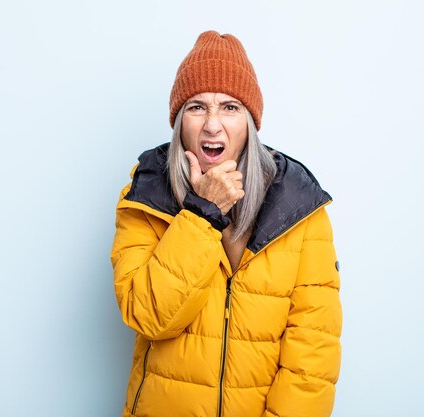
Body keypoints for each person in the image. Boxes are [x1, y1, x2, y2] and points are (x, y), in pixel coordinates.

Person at [111, 30, 342, 417]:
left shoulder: (299, 205)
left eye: (230, 107)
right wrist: (202, 213)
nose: (212, 126)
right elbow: (148, 314)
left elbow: (312, 355)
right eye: (197, 107)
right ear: (179, 120)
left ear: (251, 123)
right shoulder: (146, 192)